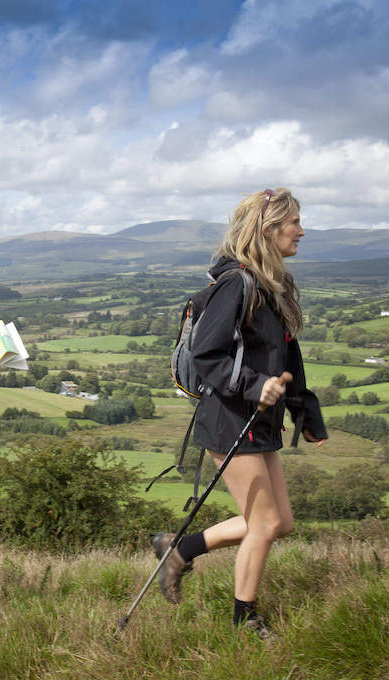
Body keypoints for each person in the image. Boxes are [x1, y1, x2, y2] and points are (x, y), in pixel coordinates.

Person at [151, 187, 327, 639]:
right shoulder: (238, 284)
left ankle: (180, 548)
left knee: (279, 522)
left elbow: (287, 356)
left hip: (259, 417)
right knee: (264, 523)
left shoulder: (272, 286)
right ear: (269, 230)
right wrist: (253, 385)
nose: (302, 231)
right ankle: (245, 619)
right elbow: (208, 354)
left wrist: (305, 412)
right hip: (230, 418)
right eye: (295, 223)